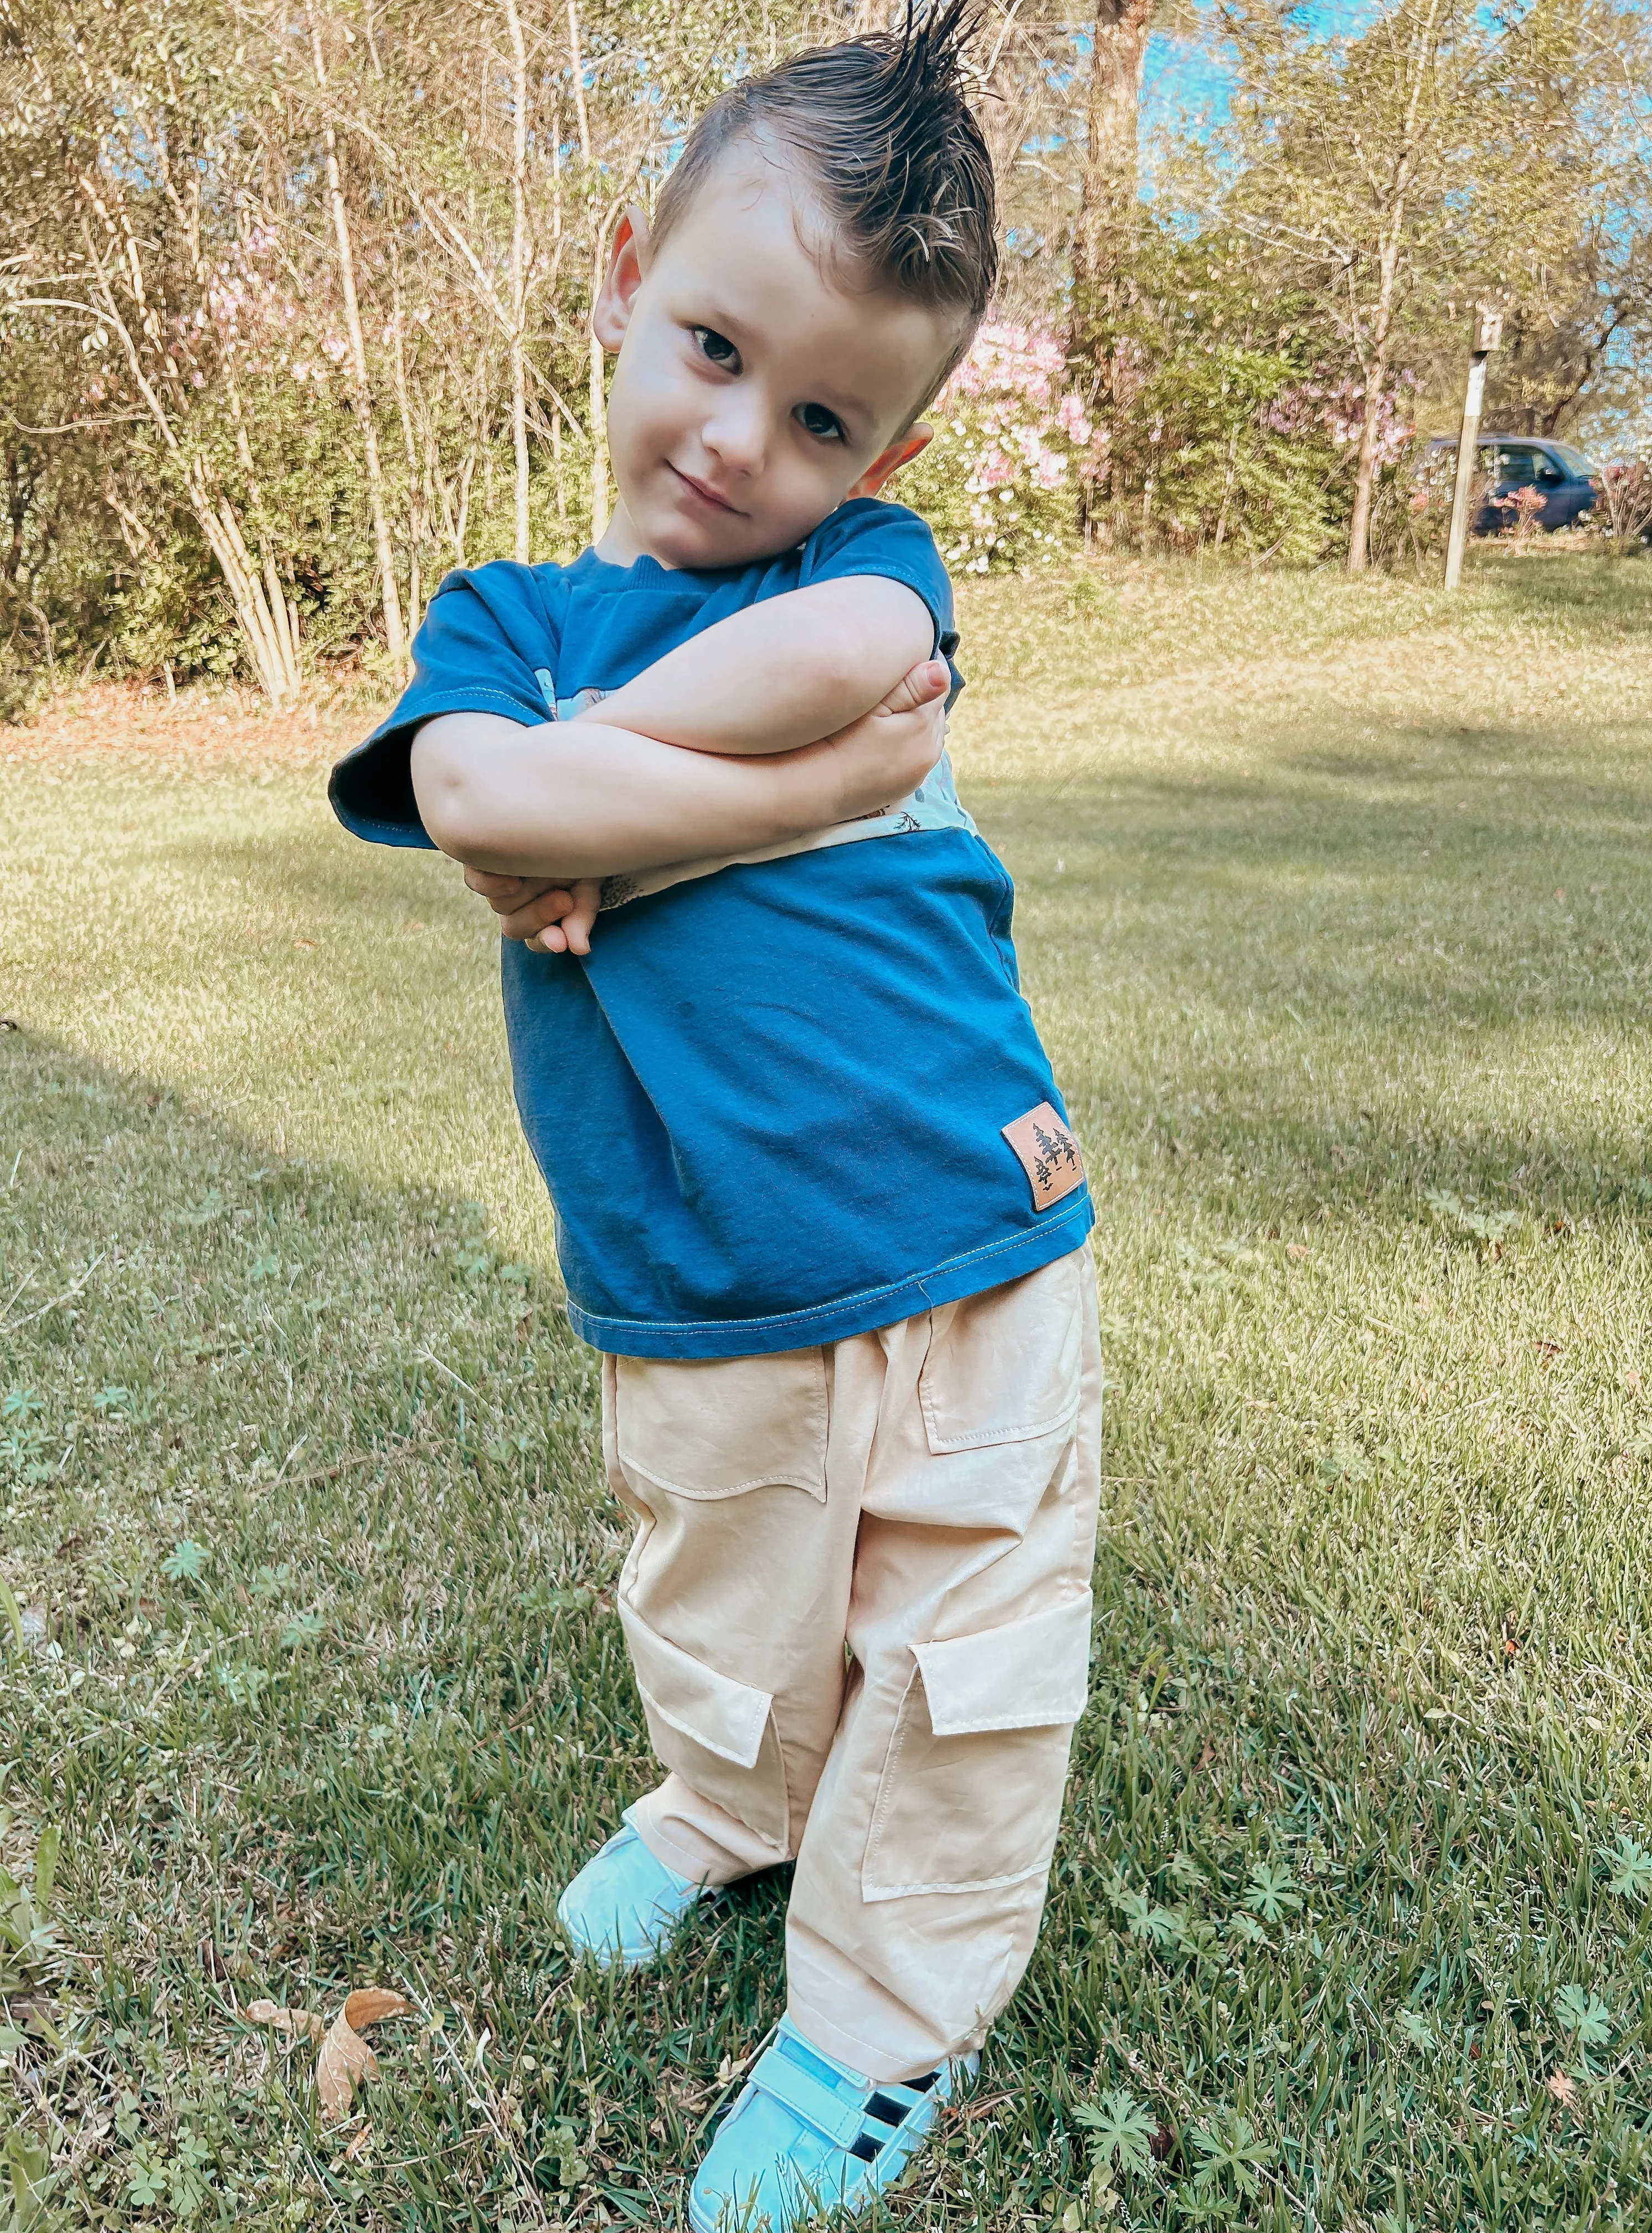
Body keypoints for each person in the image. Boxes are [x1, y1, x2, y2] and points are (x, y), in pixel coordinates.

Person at [328, 6, 1100, 2224]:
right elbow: (476, 797)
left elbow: (840, 690)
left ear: (885, 449)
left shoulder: (865, 585)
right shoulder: (501, 623)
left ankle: (874, 2022)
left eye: (828, 414)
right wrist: (791, 804)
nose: (744, 437)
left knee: (962, 1656)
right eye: (712, 346)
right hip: (689, 1261)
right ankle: (726, 1808)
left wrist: (677, 799)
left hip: (970, 1219)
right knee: (722, 1590)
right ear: (616, 272)